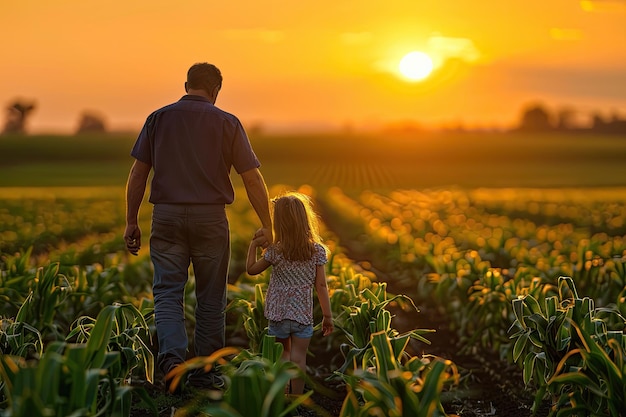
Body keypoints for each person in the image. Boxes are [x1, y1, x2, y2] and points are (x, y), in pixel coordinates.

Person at [124, 62, 273, 392]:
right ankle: (207, 372)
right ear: (216, 89)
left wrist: (131, 221)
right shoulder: (227, 123)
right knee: (211, 296)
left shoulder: (158, 119)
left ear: (186, 84)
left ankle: (173, 362)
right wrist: (268, 226)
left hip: (166, 217)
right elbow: (251, 177)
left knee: (167, 293)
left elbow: (138, 174)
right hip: (210, 219)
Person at [246, 191, 333, 395]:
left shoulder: (276, 251)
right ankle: (296, 399)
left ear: (279, 223)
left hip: (278, 314)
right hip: (302, 315)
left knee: (282, 355)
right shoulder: (317, 251)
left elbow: (251, 269)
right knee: (299, 358)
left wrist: (253, 245)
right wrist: (327, 316)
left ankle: (280, 395)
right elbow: (321, 286)